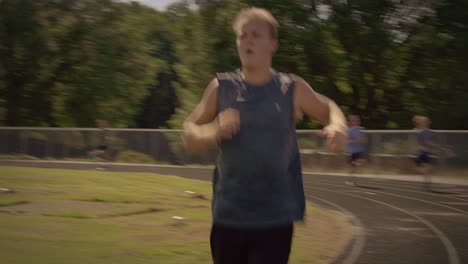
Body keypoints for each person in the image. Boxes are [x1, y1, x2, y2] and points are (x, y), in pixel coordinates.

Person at [182, 7, 347, 264]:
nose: (247, 40)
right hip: (229, 218)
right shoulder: (221, 87)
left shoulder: (291, 88)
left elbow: (329, 109)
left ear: (273, 44)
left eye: (255, 35)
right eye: (242, 35)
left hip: (275, 219)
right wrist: (213, 130)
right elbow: (189, 133)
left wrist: (338, 126)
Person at [412, 115, 434, 190]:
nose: (426, 123)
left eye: (427, 121)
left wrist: (434, 146)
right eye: (424, 121)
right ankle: (426, 179)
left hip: (426, 152)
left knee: (428, 167)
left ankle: (427, 183)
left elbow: (429, 141)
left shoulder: (428, 131)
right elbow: (414, 141)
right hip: (418, 153)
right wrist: (420, 147)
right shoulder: (416, 131)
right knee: (418, 169)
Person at [346, 115, 367, 186]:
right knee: (353, 167)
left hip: (360, 150)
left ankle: (353, 180)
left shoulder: (362, 129)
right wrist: (356, 141)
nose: (355, 122)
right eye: (353, 121)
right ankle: (351, 180)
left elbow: (364, 141)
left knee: (356, 165)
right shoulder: (349, 130)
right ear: (351, 122)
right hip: (352, 151)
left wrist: (363, 141)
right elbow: (347, 141)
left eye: (357, 120)